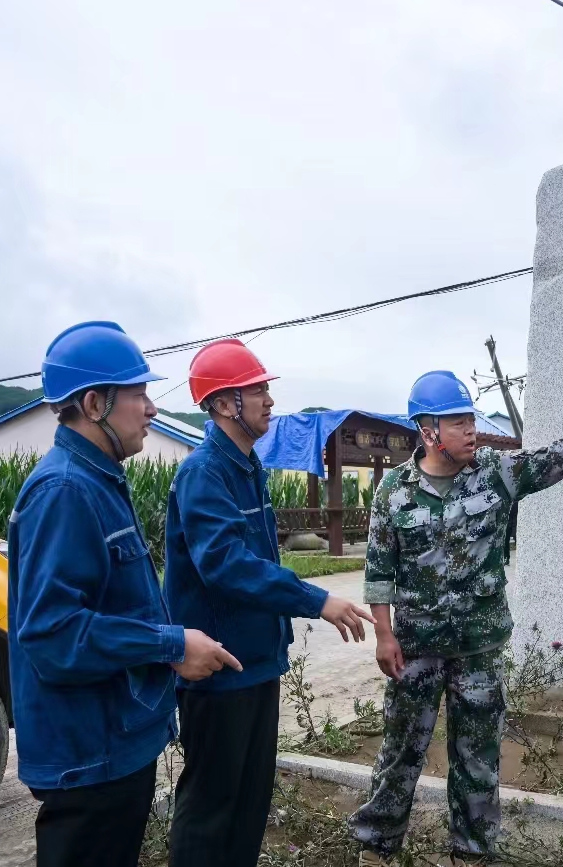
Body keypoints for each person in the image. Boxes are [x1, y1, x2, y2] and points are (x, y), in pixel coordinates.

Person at [348, 370, 563, 864]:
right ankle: (377, 845)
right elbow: (380, 571)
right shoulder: (394, 492)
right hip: (416, 649)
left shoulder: (496, 472)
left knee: (477, 757)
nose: (471, 430)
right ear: (428, 430)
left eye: (471, 419)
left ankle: (472, 852)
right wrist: (384, 635)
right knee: (400, 752)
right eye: (458, 422)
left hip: (479, 650)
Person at [7, 321, 241, 867]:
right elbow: (53, 634)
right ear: (94, 404)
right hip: (90, 753)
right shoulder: (65, 490)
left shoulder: (98, 479)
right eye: (139, 396)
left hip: (113, 742)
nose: (152, 409)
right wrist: (172, 645)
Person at [164, 338, 376, 866]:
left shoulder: (246, 466)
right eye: (256, 390)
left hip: (256, 662)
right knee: (212, 805)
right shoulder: (205, 473)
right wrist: (315, 599)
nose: (269, 399)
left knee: (250, 801)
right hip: (219, 669)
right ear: (223, 404)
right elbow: (227, 565)